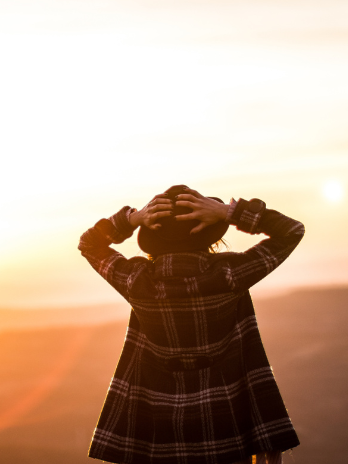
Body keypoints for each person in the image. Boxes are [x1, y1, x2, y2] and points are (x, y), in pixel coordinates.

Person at [78, 185, 304, 464]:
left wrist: (132, 219)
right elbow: (292, 231)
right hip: (226, 426)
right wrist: (228, 212)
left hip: (156, 430)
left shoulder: (137, 281)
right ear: (209, 234)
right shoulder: (229, 275)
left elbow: (89, 244)